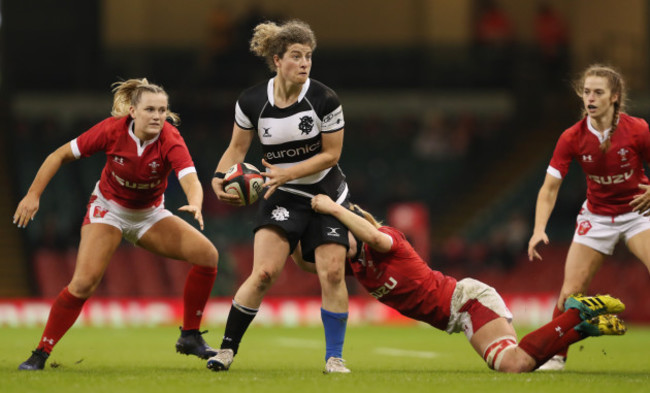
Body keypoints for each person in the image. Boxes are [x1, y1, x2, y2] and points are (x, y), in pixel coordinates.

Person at [14, 78, 219, 370]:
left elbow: (190, 178)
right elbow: (58, 155)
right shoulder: (111, 131)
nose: (158, 116)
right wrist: (33, 196)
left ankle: (189, 336)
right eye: (150, 109)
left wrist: (195, 201)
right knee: (83, 284)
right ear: (133, 112)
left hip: (149, 214)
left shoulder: (170, 138)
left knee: (208, 256)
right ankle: (41, 353)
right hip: (108, 209)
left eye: (162, 110)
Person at [293, 194, 626, 373]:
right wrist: (293, 235)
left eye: (338, 236)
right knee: (522, 363)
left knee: (513, 365)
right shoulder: (358, 266)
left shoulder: (386, 239)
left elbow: (370, 234)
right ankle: (585, 326)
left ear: (355, 225)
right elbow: (311, 266)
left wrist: (334, 208)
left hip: (468, 302)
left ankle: (574, 313)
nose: (335, 244)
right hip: (460, 315)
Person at [208, 20, 352, 373]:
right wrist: (216, 177)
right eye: (296, 56)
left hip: (325, 192)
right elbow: (236, 149)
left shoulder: (324, 98)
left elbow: (331, 155)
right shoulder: (252, 101)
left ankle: (334, 357)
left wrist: (289, 171)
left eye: (309, 57)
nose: (305, 63)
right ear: (277, 60)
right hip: (282, 194)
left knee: (333, 272)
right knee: (263, 274)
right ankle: (226, 350)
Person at [528, 64, 650, 370]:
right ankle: (556, 356)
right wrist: (538, 228)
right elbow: (549, 189)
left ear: (614, 97)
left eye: (598, 92)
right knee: (571, 292)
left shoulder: (638, 129)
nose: (590, 98)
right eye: (586, 92)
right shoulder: (572, 137)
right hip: (596, 217)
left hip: (638, 213)